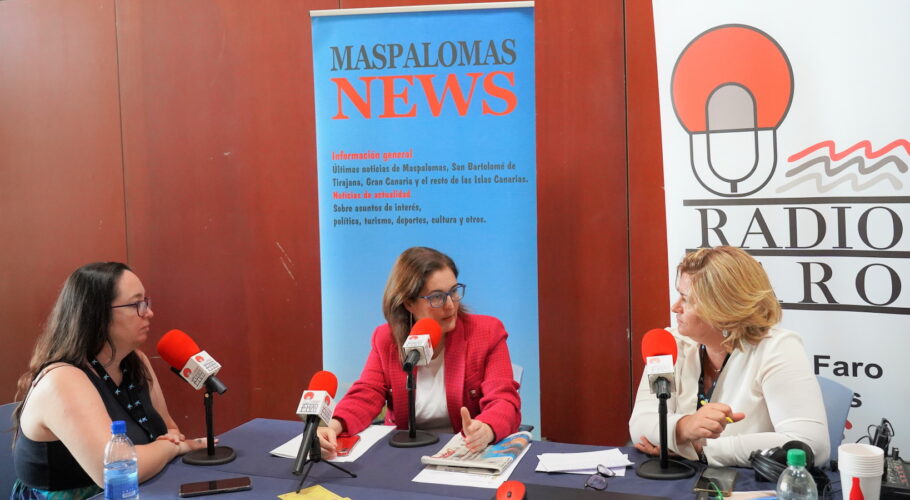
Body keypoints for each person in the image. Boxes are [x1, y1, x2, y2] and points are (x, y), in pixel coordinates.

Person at [11, 262, 207, 499]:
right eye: (136, 304)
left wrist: (167, 445)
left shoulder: (136, 361)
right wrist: (170, 448)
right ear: (97, 314)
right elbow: (114, 470)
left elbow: (169, 430)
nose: (148, 312)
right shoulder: (62, 380)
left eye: (146, 302)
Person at [628, 246, 830, 467]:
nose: (675, 307)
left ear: (722, 309)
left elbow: (811, 445)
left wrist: (700, 448)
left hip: (750, 483)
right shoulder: (669, 343)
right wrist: (683, 427)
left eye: (686, 299)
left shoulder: (778, 348)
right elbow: (640, 425)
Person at [317, 247, 521, 458]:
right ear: (409, 303)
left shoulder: (486, 332)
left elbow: (503, 399)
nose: (450, 306)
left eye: (453, 291)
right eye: (437, 297)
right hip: (404, 453)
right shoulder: (386, 339)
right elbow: (367, 393)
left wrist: (487, 428)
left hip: (465, 450)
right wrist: (334, 426)